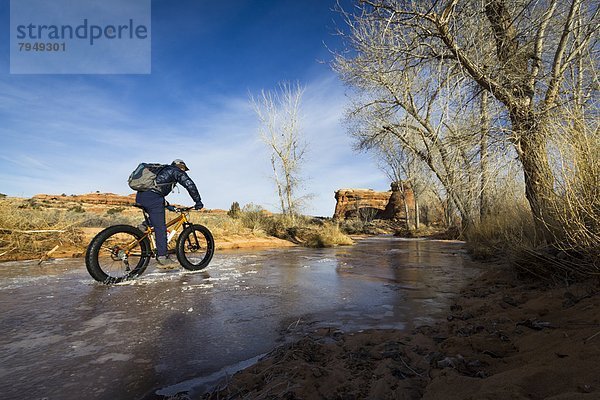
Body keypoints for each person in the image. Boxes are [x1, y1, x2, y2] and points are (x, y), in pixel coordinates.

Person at [135, 159, 204, 269]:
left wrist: (168, 206)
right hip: (153, 198)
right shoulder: (176, 171)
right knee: (161, 228)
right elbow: (189, 184)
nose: (184, 171)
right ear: (180, 166)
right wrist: (198, 201)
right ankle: (163, 257)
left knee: (156, 218)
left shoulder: (163, 170)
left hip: (142, 196)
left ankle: (143, 226)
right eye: (184, 169)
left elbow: (157, 191)